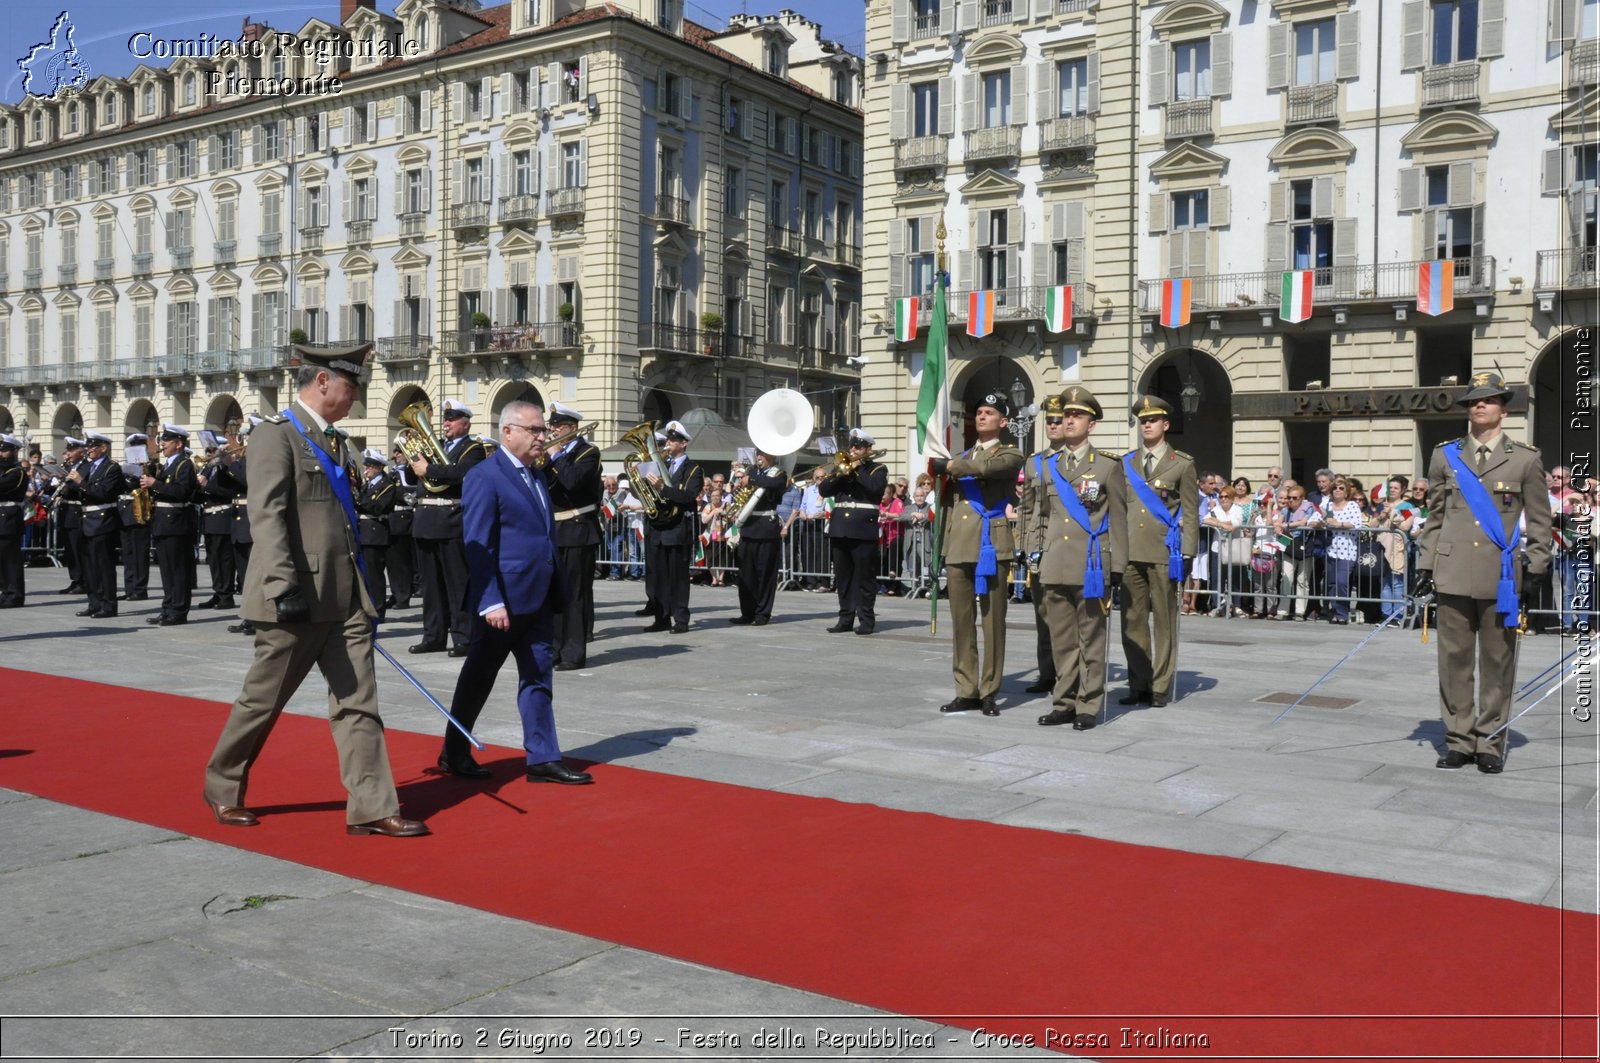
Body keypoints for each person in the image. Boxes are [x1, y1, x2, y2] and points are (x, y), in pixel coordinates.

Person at [203, 344, 428, 836]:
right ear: (323, 382)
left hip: (345, 596)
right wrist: (282, 585)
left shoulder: (336, 442)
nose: (355, 399)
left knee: (358, 703)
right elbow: (267, 515)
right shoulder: (275, 436)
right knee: (262, 702)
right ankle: (222, 786)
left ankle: (372, 806)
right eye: (350, 388)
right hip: (296, 597)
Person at [438, 400, 592, 786]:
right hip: (502, 600)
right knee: (479, 677)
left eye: (543, 430)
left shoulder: (537, 475)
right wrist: (490, 599)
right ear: (508, 432)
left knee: (539, 676)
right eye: (535, 430)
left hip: (538, 596)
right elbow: (478, 541)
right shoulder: (484, 475)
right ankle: (454, 752)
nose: (544, 437)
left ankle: (542, 757)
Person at [1417, 373, 1552, 774]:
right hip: (1453, 571)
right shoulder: (1446, 456)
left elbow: (1540, 522)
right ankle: (1459, 739)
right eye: (1474, 401)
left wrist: (1538, 565)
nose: (1480, 406)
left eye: (1489, 400)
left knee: (1498, 662)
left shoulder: (1526, 458)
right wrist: (1425, 565)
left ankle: (1491, 741)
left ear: (1503, 409)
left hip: (1502, 577)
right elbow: (1435, 517)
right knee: (1453, 661)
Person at [1026, 387, 1127, 730]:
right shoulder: (1048, 466)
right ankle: (1063, 701)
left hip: (1092, 564)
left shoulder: (1108, 466)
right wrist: (1034, 554)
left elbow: (1119, 520)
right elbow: (1039, 515)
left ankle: (1088, 704)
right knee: (1062, 641)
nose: (1068, 420)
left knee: (1091, 639)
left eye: (1077, 415)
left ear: (1091, 424)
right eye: (1065, 415)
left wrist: (1117, 567)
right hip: (1054, 563)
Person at [932, 393, 1024, 715]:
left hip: (991, 544)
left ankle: (989, 689)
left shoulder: (1010, 453)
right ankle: (966, 688)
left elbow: (987, 468)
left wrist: (952, 465)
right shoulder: (960, 456)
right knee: (961, 622)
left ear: (1004, 421)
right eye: (979, 412)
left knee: (993, 621)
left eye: (990, 412)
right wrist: (941, 548)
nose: (982, 417)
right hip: (959, 544)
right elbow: (948, 505)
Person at [1118, 395, 1198, 707]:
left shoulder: (1182, 464)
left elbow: (1190, 512)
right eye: (1143, 420)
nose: (1147, 425)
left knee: (1164, 623)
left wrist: (1189, 552)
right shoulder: (1126, 463)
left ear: (1166, 425)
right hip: (1130, 552)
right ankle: (1138, 682)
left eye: (1153, 420)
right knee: (1132, 621)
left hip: (1165, 552)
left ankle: (1161, 685)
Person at [409, 399, 491, 656]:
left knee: (457, 583)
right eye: (445, 419)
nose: (445, 424)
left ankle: (463, 637)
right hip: (425, 519)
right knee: (430, 586)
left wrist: (429, 467)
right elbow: (414, 476)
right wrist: (415, 461)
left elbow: (463, 474)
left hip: (451, 518)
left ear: (465, 423)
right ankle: (433, 635)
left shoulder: (473, 449)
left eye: (452, 419)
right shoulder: (438, 447)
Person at [542, 402, 602, 670]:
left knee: (575, 596)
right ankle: (554, 649)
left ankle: (573, 653)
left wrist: (556, 455)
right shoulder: (549, 455)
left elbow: (572, 482)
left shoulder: (588, 452)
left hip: (578, 529)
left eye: (558, 426)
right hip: (555, 531)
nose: (552, 430)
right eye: (551, 425)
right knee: (554, 594)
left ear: (573, 428)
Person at [1018, 393, 1070, 696]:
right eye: (1048, 421)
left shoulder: (1082, 462)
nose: (1052, 426)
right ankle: (1046, 673)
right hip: (1040, 549)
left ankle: (1067, 675)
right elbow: (1027, 509)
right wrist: (1024, 544)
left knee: (1068, 619)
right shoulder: (1035, 462)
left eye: (1058, 421)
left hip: (1067, 549)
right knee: (1043, 616)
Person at [820, 427, 889, 635]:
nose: (853, 449)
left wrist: (857, 469)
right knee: (844, 578)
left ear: (868, 449)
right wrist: (839, 472)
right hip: (840, 527)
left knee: (864, 578)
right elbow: (824, 490)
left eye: (858, 446)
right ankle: (845, 618)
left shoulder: (878, 469)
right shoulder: (844, 468)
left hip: (863, 527)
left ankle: (866, 620)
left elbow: (875, 490)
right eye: (852, 446)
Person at [643, 420, 705, 633]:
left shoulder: (694, 469)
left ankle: (680, 619)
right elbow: (646, 494)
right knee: (659, 577)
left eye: (673, 440)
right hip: (659, 528)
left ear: (684, 444)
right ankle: (661, 619)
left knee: (678, 577)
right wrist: (640, 477)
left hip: (678, 529)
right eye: (668, 439)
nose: (668, 443)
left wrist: (663, 488)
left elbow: (688, 496)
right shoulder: (663, 464)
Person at [140, 424, 200, 626]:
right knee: (167, 570)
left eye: (166, 440)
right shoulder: (168, 464)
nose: (162, 443)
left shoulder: (185, 465)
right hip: (163, 522)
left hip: (176, 522)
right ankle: (167, 608)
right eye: (162, 440)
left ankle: (179, 610)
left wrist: (154, 484)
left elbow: (181, 491)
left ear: (179, 444)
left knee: (178, 570)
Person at [730, 447, 788, 626]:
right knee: (746, 574)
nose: (759, 457)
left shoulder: (779, 474)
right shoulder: (751, 470)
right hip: (748, 527)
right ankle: (747, 612)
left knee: (765, 574)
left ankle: (762, 613)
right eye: (758, 454)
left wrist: (751, 480)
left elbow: (775, 484)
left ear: (772, 455)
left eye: (762, 454)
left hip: (766, 527)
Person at [195, 435, 239, 611]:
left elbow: (230, 492)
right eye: (209, 451)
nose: (210, 454)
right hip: (209, 518)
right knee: (213, 559)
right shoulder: (207, 468)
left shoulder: (227, 469)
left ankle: (226, 595)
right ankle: (218, 591)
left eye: (213, 451)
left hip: (223, 516)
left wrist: (206, 486)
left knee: (225, 559)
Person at [355, 450, 397, 620]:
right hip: (364, 532)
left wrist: (358, 498)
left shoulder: (387, 486)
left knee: (375, 576)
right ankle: (368, 607)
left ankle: (378, 609)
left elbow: (378, 507)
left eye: (370, 466)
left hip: (376, 534)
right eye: (366, 466)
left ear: (380, 468)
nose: (366, 469)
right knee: (365, 575)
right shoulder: (368, 485)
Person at [116, 433, 154, 602]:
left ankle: (140, 588)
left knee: (140, 552)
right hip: (125, 510)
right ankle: (129, 587)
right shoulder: (126, 467)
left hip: (140, 511)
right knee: (128, 552)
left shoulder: (150, 467)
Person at [1322, 476, 1364, 624]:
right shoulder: (1327, 505)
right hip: (1330, 549)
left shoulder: (1352, 505)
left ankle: (1342, 613)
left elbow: (1357, 524)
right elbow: (1316, 518)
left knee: (1342, 582)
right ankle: (1334, 611)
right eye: (1335, 488)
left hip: (1347, 550)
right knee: (1332, 583)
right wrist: (1318, 523)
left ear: (1346, 492)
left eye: (1341, 488)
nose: (1337, 490)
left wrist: (1338, 524)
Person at [55, 436, 88, 595]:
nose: (68, 454)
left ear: (81, 452)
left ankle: (83, 580)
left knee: (78, 548)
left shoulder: (85, 467)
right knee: (70, 549)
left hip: (77, 511)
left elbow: (83, 487)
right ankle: (75, 579)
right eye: (67, 451)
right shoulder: (70, 467)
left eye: (71, 451)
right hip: (66, 511)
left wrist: (68, 483)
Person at [0, 435, 29, 607]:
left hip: (9, 518)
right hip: (2, 518)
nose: (1, 454)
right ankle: (5, 592)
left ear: (15, 451)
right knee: (1, 561)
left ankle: (15, 595)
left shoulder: (17, 472)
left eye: (4, 451)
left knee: (11, 560)